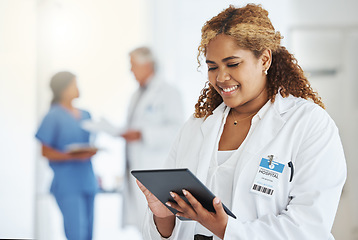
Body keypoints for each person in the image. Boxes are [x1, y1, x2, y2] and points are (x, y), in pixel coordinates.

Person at [137, 4, 347, 240]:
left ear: (265, 59)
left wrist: (225, 228)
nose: (221, 77)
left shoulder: (309, 124)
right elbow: (166, 232)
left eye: (233, 64)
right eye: (212, 67)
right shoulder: (197, 126)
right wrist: (163, 217)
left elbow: (309, 229)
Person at [121, 47, 184, 230]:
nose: (130, 70)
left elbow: (176, 130)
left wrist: (143, 134)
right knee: (143, 224)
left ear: (147, 65)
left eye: (133, 65)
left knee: (157, 224)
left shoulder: (169, 92)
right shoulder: (136, 95)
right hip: (136, 165)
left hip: (155, 166)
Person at [35, 71, 98, 240]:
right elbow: (45, 151)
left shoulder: (86, 114)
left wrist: (90, 151)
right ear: (63, 89)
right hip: (67, 183)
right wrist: (73, 157)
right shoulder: (53, 115)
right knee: (76, 234)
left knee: (89, 235)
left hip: (88, 180)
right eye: (74, 85)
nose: (78, 88)